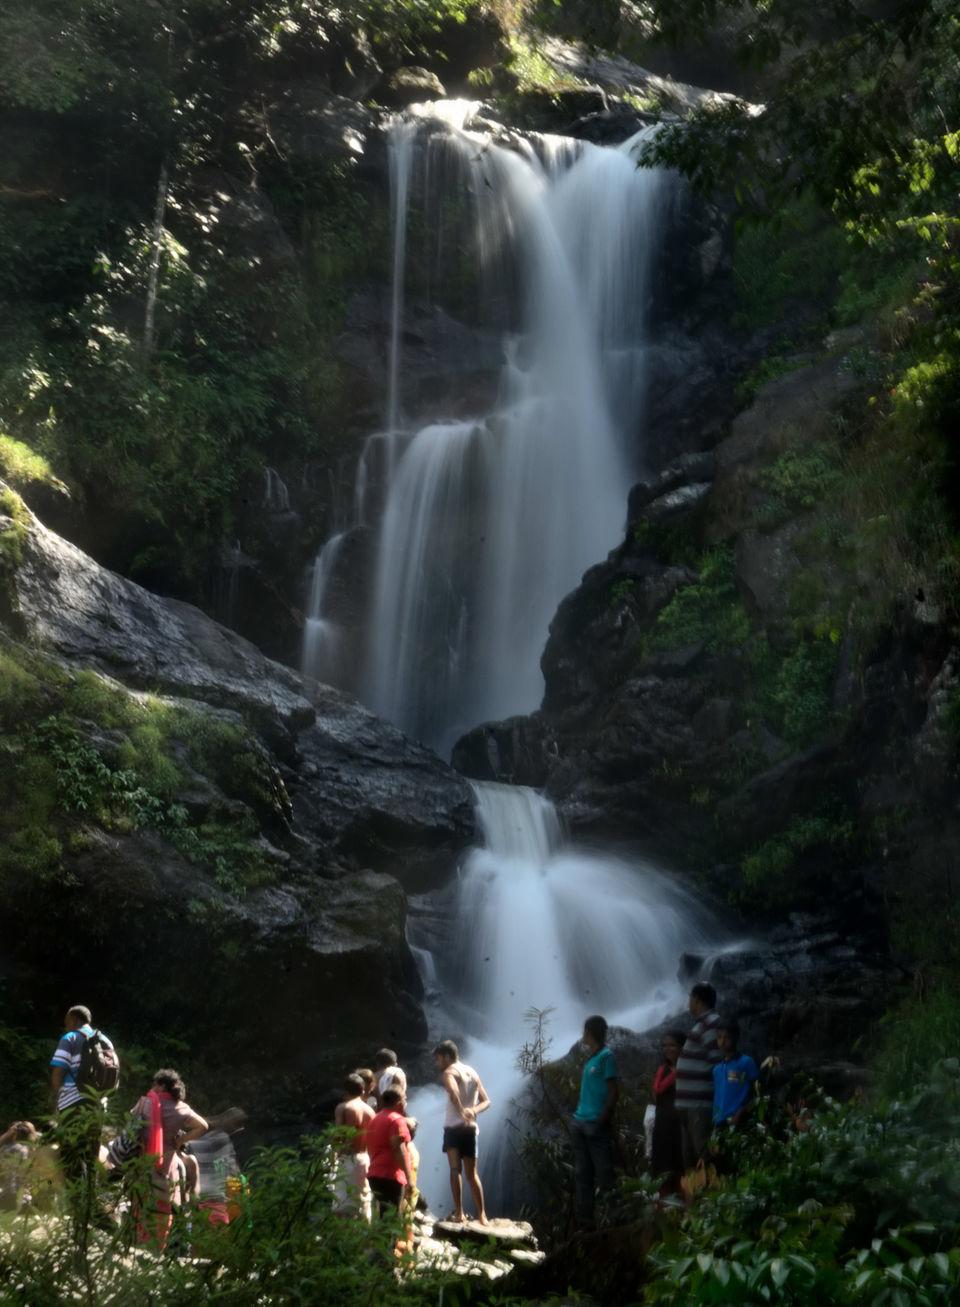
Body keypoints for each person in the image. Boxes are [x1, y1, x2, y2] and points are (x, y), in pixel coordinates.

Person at [50, 1005, 116, 1230]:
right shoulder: (106, 1040)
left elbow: (58, 1072)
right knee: (89, 1157)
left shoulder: (70, 1037)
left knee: (70, 1158)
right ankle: (93, 1212)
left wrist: (58, 1103)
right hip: (98, 1107)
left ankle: (81, 1217)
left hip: (73, 1104)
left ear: (75, 1018)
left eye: (67, 1019)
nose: (65, 1023)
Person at [131, 1069, 208, 1250]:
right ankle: (156, 1252)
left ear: (162, 1085)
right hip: (166, 1172)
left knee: (138, 1211)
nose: (152, 1087)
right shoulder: (181, 1108)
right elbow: (203, 1126)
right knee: (162, 1214)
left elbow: (130, 1129)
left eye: (155, 1084)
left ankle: (135, 1249)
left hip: (142, 1168)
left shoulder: (145, 1102)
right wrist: (180, 1140)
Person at [434, 1040, 491, 1225]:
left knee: (454, 1169)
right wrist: (473, 1111)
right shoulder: (472, 1072)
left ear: (448, 1056)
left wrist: (460, 1111)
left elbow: (452, 1091)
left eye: (439, 1059)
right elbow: (487, 1101)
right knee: (472, 1174)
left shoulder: (449, 1072)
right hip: (471, 1128)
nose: (438, 1063)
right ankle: (482, 1215)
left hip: (453, 1127)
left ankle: (459, 1213)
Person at [569, 1015, 619, 1227]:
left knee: (605, 1173)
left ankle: (616, 1219)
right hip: (580, 1122)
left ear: (590, 1033)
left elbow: (614, 1091)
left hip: (595, 1124)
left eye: (585, 1032)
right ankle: (586, 1223)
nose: (583, 1036)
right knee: (583, 1175)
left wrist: (602, 1119)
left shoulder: (607, 1057)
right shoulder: (591, 1059)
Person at [674, 982, 722, 1172]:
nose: (688, 1002)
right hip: (690, 1105)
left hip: (700, 1106)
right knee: (691, 1159)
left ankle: (709, 1198)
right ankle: (696, 1199)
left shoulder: (712, 1023)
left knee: (704, 1157)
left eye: (690, 998)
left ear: (697, 999)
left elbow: (718, 1064)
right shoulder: (703, 1024)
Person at [332, 1072, 374, 1221]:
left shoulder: (343, 1108)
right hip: (365, 1158)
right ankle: (365, 1239)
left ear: (345, 1090)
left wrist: (332, 1161)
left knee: (341, 1203)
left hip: (347, 1158)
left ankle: (342, 1239)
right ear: (363, 1090)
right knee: (363, 1200)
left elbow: (337, 1136)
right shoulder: (370, 1111)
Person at [365, 1088, 412, 1218]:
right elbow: (399, 1150)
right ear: (399, 1103)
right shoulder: (396, 1120)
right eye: (405, 1100)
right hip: (391, 1175)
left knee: (382, 1216)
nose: (406, 1103)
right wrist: (410, 1180)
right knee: (392, 1219)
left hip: (374, 1175)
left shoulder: (375, 1119)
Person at [651, 1030, 685, 1196]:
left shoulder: (688, 1067)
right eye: (664, 1045)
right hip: (664, 1122)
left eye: (672, 1045)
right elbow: (656, 1090)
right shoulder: (663, 1069)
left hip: (682, 1122)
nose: (667, 1049)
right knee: (663, 1159)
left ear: (681, 1047)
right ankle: (664, 1199)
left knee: (681, 1159)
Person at [713, 1021, 759, 1129]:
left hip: (739, 1119)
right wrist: (715, 1120)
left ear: (736, 1038)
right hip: (719, 1121)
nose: (722, 1042)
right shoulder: (717, 1069)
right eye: (719, 1037)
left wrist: (742, 1112)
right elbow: (718, 1097)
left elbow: (756, 1092)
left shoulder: (745, 1062)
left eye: (727, 1037)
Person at [0, 1121, 39, 1212]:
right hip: (21, 1198)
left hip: (5, 1195)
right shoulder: (27, 1151)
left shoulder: (4, 1149)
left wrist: (7, 1134)